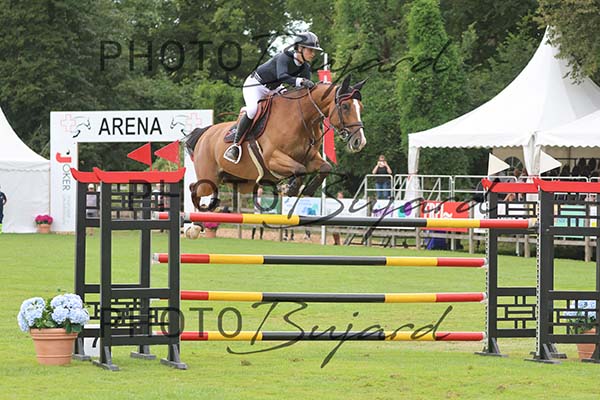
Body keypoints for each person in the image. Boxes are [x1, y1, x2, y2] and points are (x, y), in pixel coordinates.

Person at [224, 31, 323, 164]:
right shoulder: (284, 57)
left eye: (314, 51)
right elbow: (282, 76)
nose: (313, 53)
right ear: (300, 48)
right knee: (253, 110)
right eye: (310, 50)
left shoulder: (305, 67)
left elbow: (304, 91)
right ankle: (235, 146)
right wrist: (301, 81)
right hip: (256, 85)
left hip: (274, 88)